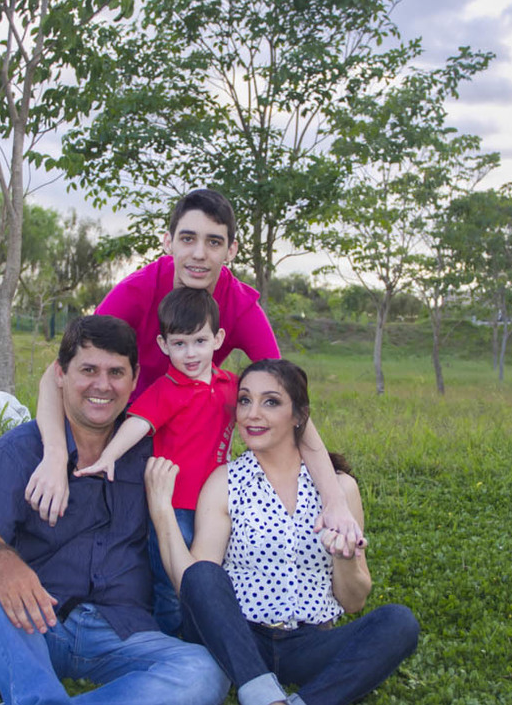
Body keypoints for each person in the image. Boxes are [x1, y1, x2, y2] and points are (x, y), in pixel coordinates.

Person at [0, 315, 229, 705]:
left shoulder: (148, 449)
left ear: (134, 380)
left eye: (116, 373)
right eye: (88, 370)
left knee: (205, 672)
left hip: (120, 632)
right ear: (61, 375)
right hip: (40, 619)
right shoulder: (20, 452)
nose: (101, 385)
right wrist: (1, 561)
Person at [25, 189, 364, 558]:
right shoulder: (138, 291)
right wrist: (55, 455)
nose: (199, 254)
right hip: (124, 425)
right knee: (104, 520)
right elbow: (56, 374)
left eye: (214, 242)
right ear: (169, 241)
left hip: (186, 443)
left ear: (231, 250)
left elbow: (289, 404)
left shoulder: (240, 307)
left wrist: (334, 499)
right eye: (188, 238)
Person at [143, 359, 421, 705]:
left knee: (400, 622)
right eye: (244, 401)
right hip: (241, 640)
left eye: (270, 402)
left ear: (299, 416)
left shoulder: (339, 491)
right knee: (204, 574)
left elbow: (354, 601)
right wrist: (162, 512)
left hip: (310, 642)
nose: (252, 414)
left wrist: (343, 558)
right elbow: (194, 587)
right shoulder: (225, 483)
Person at [75, 287, 237, 634]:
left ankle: (208, 638)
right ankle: (170, 643)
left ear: (218, 339)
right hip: (173, 505)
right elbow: (137, 424)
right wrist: (108, 456)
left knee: (213, 576)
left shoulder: (231, 385)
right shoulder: (166, 389)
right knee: (170, 584)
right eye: (179, 344)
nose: (190, 353)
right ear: (163, 345)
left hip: (218, 506)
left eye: (199, 341)